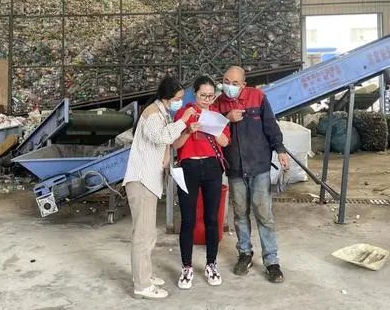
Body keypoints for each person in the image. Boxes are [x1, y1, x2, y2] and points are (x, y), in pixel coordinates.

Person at [214, 66, 289, 283]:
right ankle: (245, 254)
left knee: (264, 215)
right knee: (240, 215)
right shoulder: (219, 103)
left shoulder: (258, 97)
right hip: (235, 168)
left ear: (244, 84)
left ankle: (271, 261)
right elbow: (211, 128)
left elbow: (271, 127)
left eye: (235, 83)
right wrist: (226, 118)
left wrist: (280, 150)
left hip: (259, 167)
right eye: (226, 81)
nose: (229, 86)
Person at [123, 76, 196, 299]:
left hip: (149, 182)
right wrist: (184, 121)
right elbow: (161, 136)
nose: (180, 103)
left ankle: (143, 275)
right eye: (177, 99)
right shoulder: (153, 114)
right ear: (166, 97)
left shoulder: (162, 112)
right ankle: (142, 286)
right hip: (142, 181)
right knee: (143, 236)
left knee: (149, 234)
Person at [172, 76, 230, 289]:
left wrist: (212, 128)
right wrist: (189, 130)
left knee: (211, 218)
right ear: (194, 93)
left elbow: (225, 142)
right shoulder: (184, 113)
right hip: (189, 167)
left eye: (210, 96)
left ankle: (211, 264)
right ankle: (186, 266)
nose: (206, 99)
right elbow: (175, 144)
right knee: (188, 219)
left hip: (212, 167)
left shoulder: (216, 115)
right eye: (202, 95)